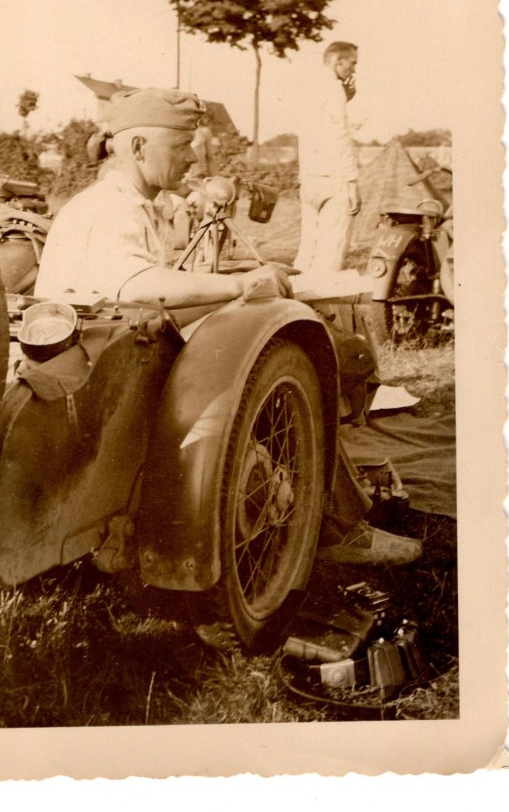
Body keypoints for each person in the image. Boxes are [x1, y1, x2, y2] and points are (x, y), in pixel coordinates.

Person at [35, 87, 419, 565]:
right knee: (284, 367)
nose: (193, 158)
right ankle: (335, 528)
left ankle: (328, 510)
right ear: (138, 148)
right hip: (101, 386)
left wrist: (242, 286)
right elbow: (140, 287)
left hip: (115, 365)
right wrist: (241, 285)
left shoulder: (130, 203)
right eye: (181, 147)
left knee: (284, 345)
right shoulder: (108, 209)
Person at [293, 41, 361, 275]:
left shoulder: (309, 87)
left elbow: (315, 128)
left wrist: (346, 96)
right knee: (330, 255)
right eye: (352, 64)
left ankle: (295, 305)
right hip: (333, 180)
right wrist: (352, 182)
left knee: (307, 252)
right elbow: (340, 135)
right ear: (337, 61)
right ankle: (320, 309)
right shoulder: (333, 89)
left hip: (310, 178)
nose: (353, 70)